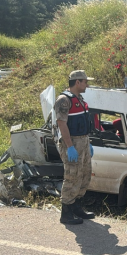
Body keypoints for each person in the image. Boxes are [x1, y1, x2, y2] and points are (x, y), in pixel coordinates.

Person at [54, 70, 96, 225]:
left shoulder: (80, 99)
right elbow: (62, 123)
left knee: (84, 175)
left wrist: (88, 142)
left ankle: (77, 207)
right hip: (72, 142)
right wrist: (70, 146)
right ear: (77, 82)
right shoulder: (64, 100)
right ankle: (66, 213)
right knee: (72, 176)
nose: (87, 84)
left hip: (83, 141)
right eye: (85, 81)